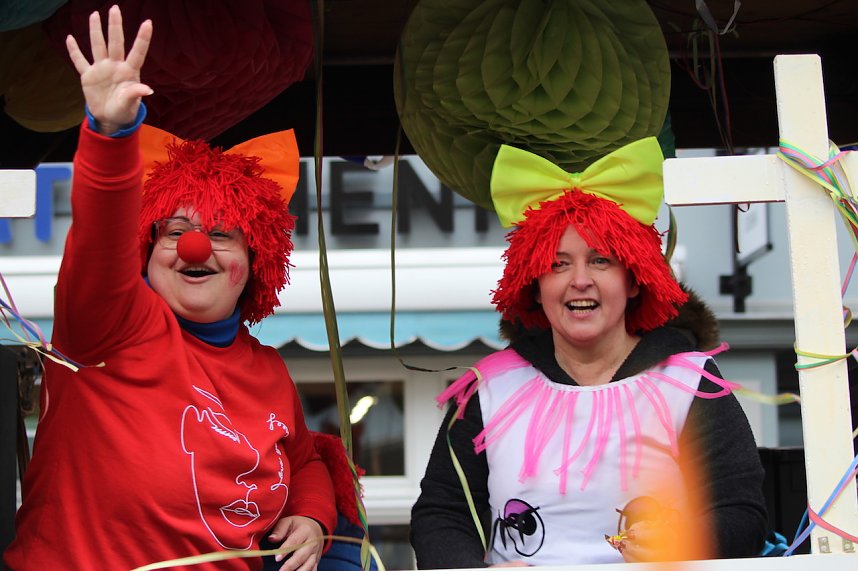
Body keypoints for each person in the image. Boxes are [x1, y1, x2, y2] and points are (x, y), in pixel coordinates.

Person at [4, 6, 336, 571]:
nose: (194, 248)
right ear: (145, 254)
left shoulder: (269, 371)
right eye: (174, 232)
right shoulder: (111, 327)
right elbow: (100, 236)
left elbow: (302, 460)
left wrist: (311, 514)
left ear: (256, 261)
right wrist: (110, 134)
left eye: (222, 235)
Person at [410, 138, 768, 567]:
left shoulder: (691, 381)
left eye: (600, 261)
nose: (579, 280)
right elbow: (441, 513)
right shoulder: (486, 389)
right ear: (535, 285)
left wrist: (683, 539)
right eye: (559, 264)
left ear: (634, 280)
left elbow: (742, 515)